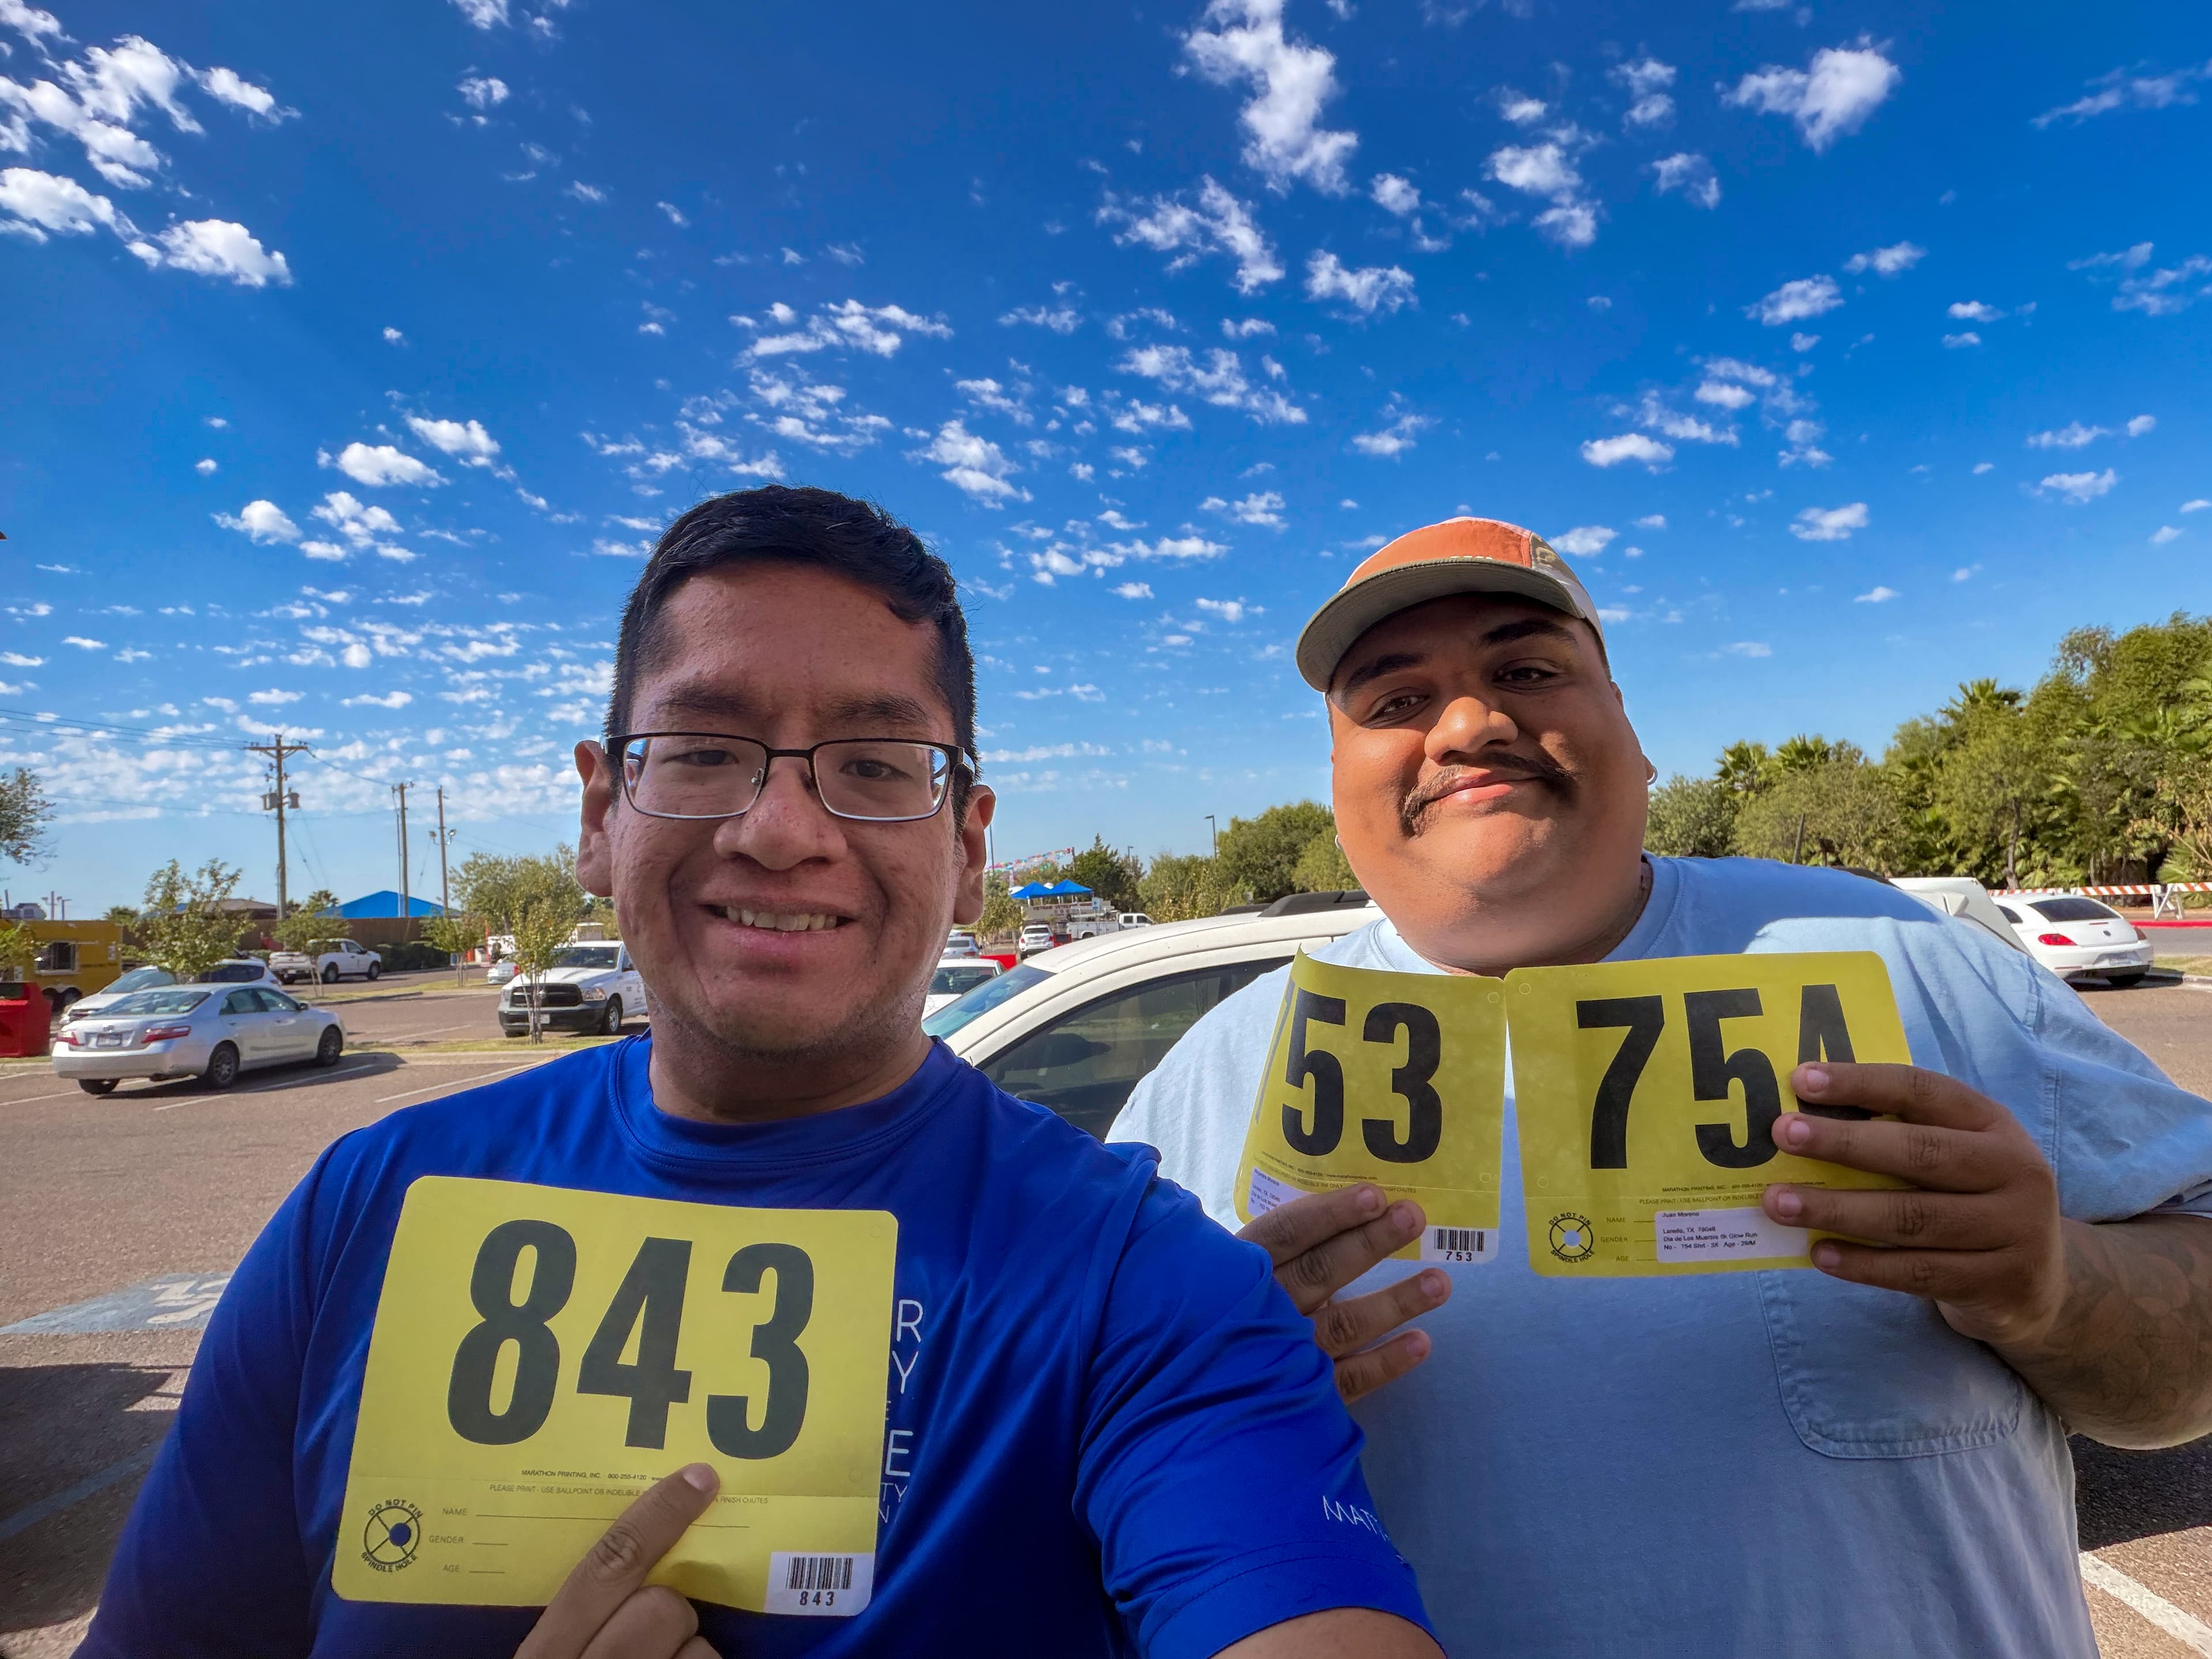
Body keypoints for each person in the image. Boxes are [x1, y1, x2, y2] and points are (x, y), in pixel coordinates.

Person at [83, 487, 1438, 1659]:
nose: (783, 827)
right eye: (705, 752)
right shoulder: (368, 1208)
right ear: (601, 814)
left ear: (968, 847)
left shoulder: (1150, 1289)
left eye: (873, 763)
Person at [1112, 514, 2212, 1658]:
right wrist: (1206, 1408)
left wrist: (2053, 1284)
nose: (1473, 725)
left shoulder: (1905, 959)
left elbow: (2191, 1373)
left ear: (1633, 735)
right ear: (1336, 784)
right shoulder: (1200, 1090)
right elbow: (1077, 1503)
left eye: (1527, 671)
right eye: (1394, 702)